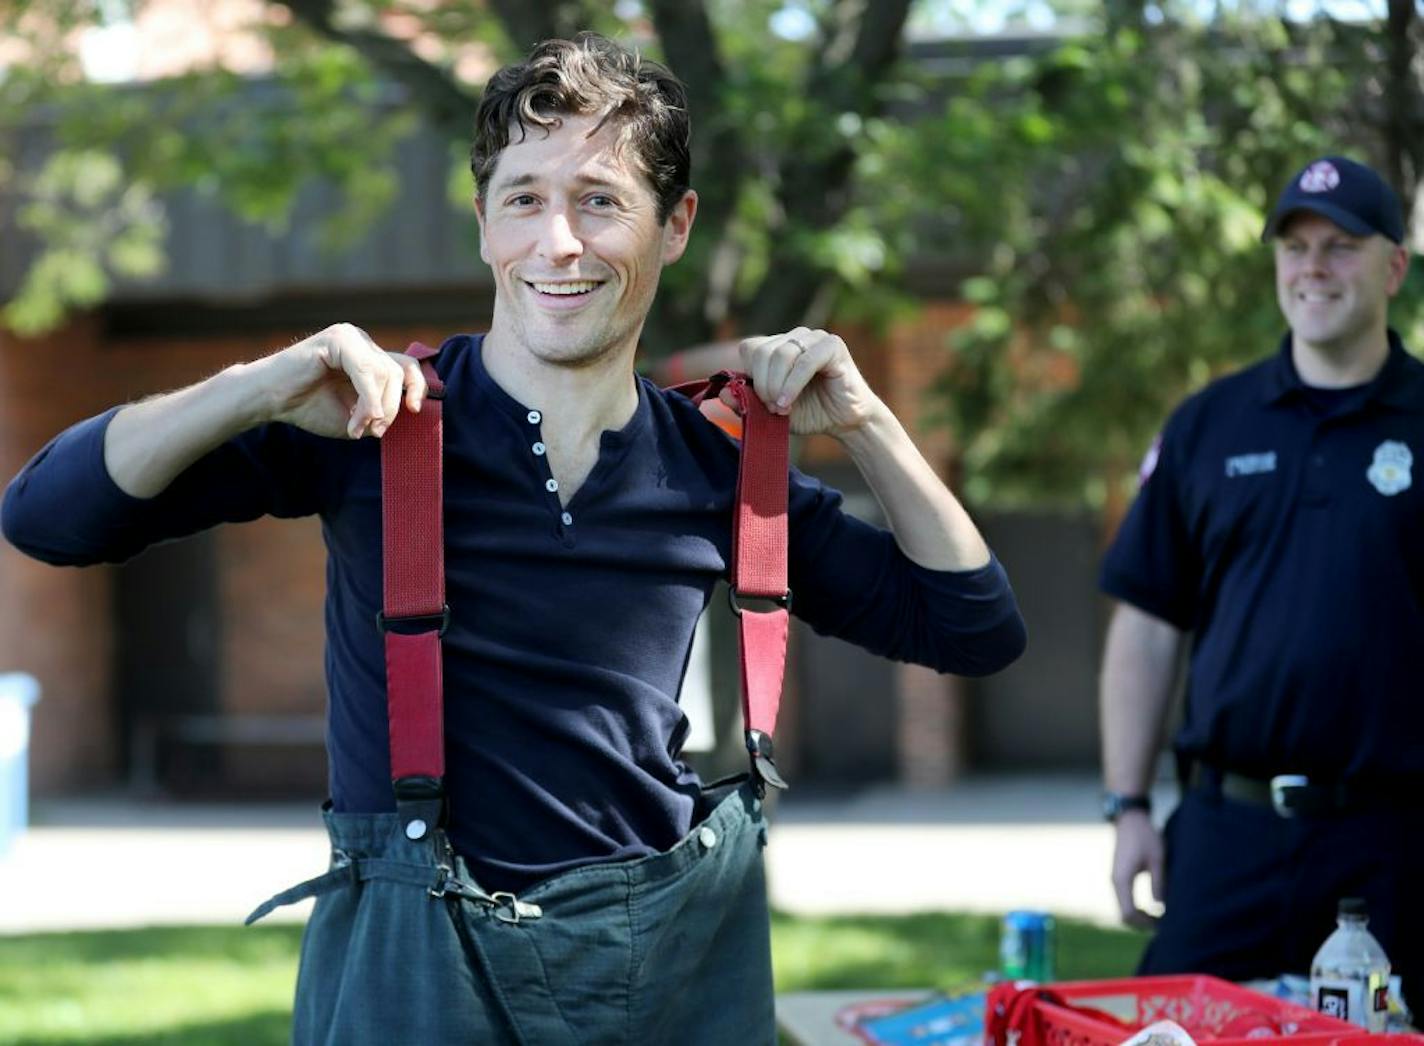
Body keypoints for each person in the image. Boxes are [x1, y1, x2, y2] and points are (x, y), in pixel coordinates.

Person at [2, 33, 1026, 1044]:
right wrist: (263, 384)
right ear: (484, 222)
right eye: (525, 199)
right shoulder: (367, 423)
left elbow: (971, 628)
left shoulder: (717, 466)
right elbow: (45, 515)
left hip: (669, 962)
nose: (559, 243)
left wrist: (864, 422)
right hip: (413, 968)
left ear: (674, 226)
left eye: (600, 200)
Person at [1099, 154, 1422, 1009]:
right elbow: (1147, 624)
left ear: (1395, 265)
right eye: (1295, 245)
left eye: (1341, 245)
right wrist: (1128, 804)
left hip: (1397, 841)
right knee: (1167, 1030)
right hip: (1225, 834)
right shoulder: (1208, 424)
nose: (1313, 266)